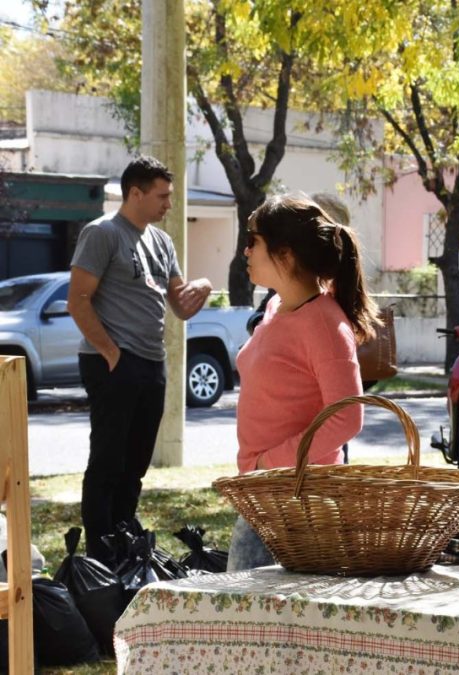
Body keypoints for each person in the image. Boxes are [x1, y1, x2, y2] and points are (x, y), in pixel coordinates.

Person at [68, 155, 212, 563]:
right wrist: (111, 353)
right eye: (162, 196)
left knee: (135, 464)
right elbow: (77, 301)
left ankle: (124, 540)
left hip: (151, 362)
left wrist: (202, 285)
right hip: (113, 361)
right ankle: (100, 550)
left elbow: (181, 307)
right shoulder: (103, 234)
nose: (169, 205)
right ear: (135, 193)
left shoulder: (162, 242)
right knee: (108, 461)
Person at [227, 194, 381, 570]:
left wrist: (271, 464)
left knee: (248, 623)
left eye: (254, 241)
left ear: (286, 254)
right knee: (242, 622)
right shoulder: (278, 307)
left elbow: (348, 417)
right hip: (268, 492)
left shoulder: (324, 323)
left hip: (299, 501)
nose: (246, 251)